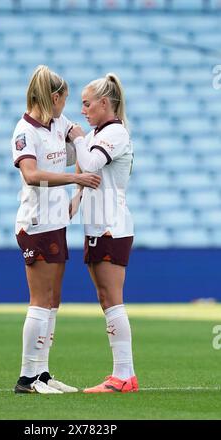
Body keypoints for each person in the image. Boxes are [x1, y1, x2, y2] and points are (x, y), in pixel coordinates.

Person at [11, 65, 101, 394]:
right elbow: (32, 175)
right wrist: (77, 178)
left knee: (53, 300)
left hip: (57, 222)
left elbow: (77, 136)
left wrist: (81, 137)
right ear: (54, 97)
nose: (68, 106)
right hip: (35, 224)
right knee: (39, 299)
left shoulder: (57, 123)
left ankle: (43, 374)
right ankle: (26, 378)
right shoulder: (25, 131)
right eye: (64, 98)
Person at [68, 73, 138, 393]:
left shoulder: (116, 133)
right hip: (96, 224)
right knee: (105, 298)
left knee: (112, 299)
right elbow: (84, 168)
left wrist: (78, 138)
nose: (82, 109)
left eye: (86, 103)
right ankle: (121, 375)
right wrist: (77, 197)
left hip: (112, 225)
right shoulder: (99, 131)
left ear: (104, 103)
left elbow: (92, 162)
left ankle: (124, 375)